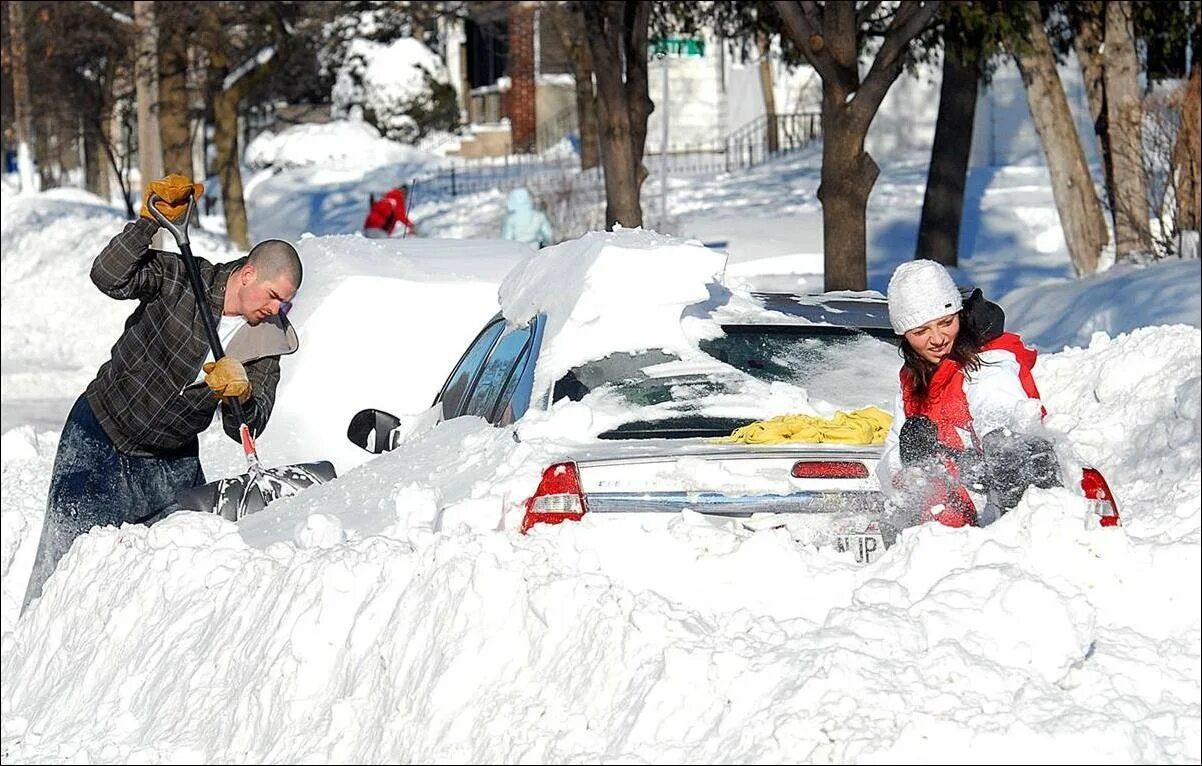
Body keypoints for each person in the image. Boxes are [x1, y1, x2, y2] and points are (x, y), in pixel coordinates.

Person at [22, 174, 303, 610]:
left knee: (164, 585)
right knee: (65, 571)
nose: (276, 310)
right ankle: (33, 652)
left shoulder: (266, 341)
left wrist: (242, 394)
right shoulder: (180, 279)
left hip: (170, 463)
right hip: (101, 437)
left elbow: (247, 425)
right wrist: (147, 226)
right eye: (273, 297)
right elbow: (107, 277)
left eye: (286, 304)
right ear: (248, 274)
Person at [877, 259, 1060, 529]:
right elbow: (889, 462)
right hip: (945, 532)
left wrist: (996, 450)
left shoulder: (987, 361)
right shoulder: (912, 380)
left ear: (959, 315)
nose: (938, 338)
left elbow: (998, 406)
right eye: (921, 331)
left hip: (1003, 525)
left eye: (946, 322)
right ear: (904, 335)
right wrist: (911, 461)